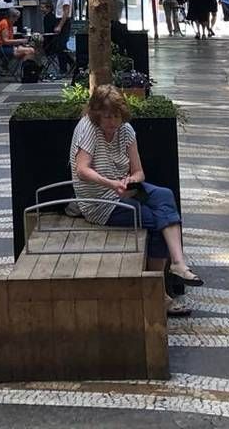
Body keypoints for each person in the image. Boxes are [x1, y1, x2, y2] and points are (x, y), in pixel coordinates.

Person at [70, 85, 201, 315]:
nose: (112, 122)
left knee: (164, 196)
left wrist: (131, 181)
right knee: (153, 220)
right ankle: (158, 295)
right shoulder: (88, 129)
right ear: (97, 114)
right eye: (107, 116)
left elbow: (139, 172)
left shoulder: (127, 131)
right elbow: (82, 170)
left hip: (124, 189)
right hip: (100, 200)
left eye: (116, 116)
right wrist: (112, 184)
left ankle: (178, 264)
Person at [48, 0, 77, 78]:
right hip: (62, 21)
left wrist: (60, 25)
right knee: (60, 46)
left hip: (63, 22)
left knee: (61, 46)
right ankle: (69, 64)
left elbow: (66, 11)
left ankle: (64, 68)